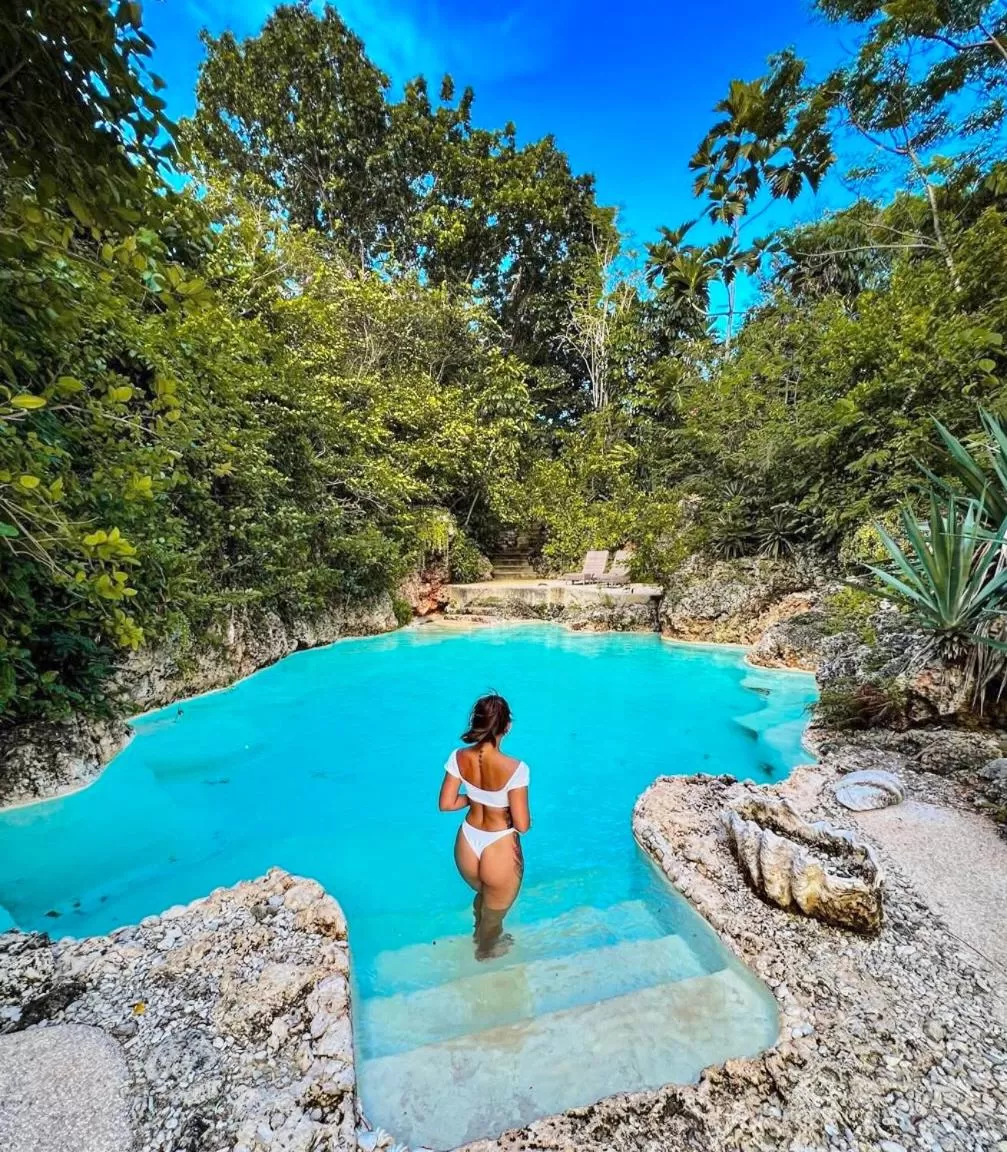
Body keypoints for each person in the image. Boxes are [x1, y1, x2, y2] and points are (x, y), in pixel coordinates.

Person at [438, 693, 531, 959]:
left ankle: (479, 939)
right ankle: (485, 955)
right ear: (507, 726)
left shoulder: (458, 757)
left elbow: (446, 804)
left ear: (477, 722)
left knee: (483, 899)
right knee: (494, 920)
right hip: (499, 847)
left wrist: (473, 798)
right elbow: (522, 825)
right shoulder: (517, 769)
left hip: (467, 843)